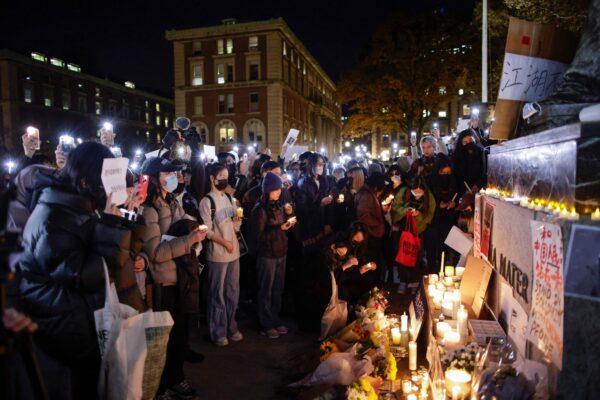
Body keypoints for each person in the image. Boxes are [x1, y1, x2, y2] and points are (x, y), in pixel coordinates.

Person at [17, 142, 135, 399]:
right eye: (105, 181)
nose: (108, 190)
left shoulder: (73, 208)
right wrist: (111, 228)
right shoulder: (53, 218)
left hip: (74, 328)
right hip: (62, 337)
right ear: (85, 181)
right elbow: (84, 276)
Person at [140, 156, 207, 398]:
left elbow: (181, 227)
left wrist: (193, 229)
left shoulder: (172, 202)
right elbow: (156, 252)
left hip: (180, 277)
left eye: (173, 173)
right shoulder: (149, 210)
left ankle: (177, 378)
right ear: (155, 179)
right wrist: (189, 240)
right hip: (164, 283)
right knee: (162, 340)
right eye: (166, 174)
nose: (172, 177)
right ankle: (160, 386)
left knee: (180, 335)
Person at [199, 163, 243, 347]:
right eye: (221, 176)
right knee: (217, 293)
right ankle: (218, 331)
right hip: (217, 254)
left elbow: (234, 225)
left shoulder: (228, 197)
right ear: (212, 178)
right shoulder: (206, 202)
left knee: (233, 291)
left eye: (227, 176)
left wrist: (238, 220)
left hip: (234, 254)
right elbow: (207, 231)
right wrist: (224, 242)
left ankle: (231, 326)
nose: (225, 180)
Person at [249, 172, 296, 339]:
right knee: (265, 290)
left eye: (279, 189)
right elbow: (257, 236)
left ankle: (275, 320)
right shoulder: (260, 210)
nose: (279, 192)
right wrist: (279, 229)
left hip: (281, 252)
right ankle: (265, 323)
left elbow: (282, 225)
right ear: (268, 189)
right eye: (276, 189)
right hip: (267, 255)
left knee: (277, 289)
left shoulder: (278, 205)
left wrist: (289, 216)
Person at [391, 176, 436, 291]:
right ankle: (403, 280)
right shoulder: (404, 192)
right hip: (404, 230)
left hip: (418, 231)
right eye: (415, 192)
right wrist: (406, 211)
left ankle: (415, 281)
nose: (417, 194)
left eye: (420, 192)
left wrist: (419, 215)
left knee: (416, 255)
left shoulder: (428, 196)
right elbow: (395, 207)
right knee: (403, 254)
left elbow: (430, 215)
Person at [425, 158, 459, 275]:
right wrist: (438, 204)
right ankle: (431, 275)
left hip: (448, 220)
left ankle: (443, 273)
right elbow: (427, 199)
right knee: (432, 251)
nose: (445, 176)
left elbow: (456, 194)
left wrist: (454, 204)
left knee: (445, 250)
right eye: (442, 173)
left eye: (447, 173)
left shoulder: (453, 180)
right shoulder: (430, 180)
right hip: (433, 220)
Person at [295, 152, 332, 254]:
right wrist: (319, 203)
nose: (321, 167)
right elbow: (302, 208)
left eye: (322, 164)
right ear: (311, 165)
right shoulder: (303, 183)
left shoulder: (324, 180)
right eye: (318, 164)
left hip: (321, 224)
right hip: (308, 226)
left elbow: (327, 204)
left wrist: (327, 223)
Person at [354, 172, 387, 289]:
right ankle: (372, 288)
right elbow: (363, 216)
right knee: (372, 262)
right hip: (370, 234)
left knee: (374, 261)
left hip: (371, 234)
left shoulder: (368, 194)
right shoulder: (367, 195)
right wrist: (377, 222)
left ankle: (374, 287)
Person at [453, 130, 486, 196]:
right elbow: (456, 175)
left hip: (480, 192)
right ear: (461, 143)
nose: (469, 145)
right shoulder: (457, 157)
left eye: (471, 141)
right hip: (464, 193)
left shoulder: (481, 153)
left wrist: (478, 185)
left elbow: (485, 172)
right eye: (465, 142)